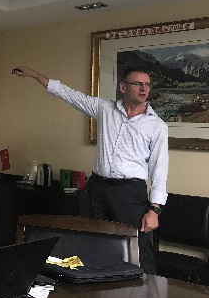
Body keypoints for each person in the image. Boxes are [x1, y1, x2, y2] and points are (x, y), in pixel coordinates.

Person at [13, 65, 168, 274]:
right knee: (94, 243)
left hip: (129, 194)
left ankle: (148, 292)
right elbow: (69, 95)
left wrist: (154, 210)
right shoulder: (104, 109)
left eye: (147, 85)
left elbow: (159, 169)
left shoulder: (157, 126)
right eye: (138, 84)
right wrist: (36, 75)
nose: (144, 89)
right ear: (123, 87)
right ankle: (98, 289)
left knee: (139, 249)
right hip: (97, 190)